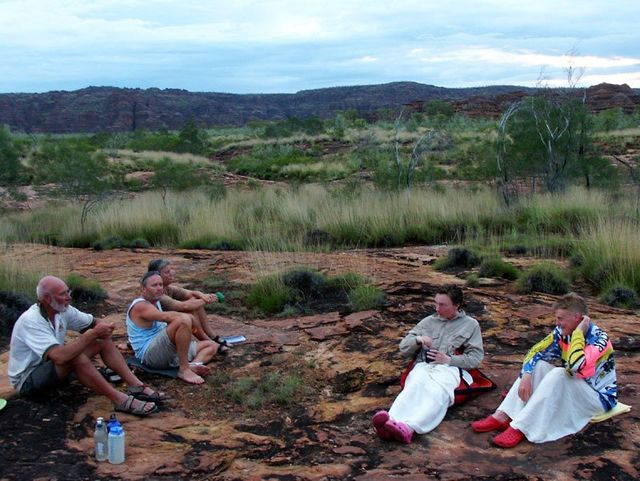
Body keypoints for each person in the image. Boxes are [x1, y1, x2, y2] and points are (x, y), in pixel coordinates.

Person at [471, 292, 617, 448]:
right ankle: (503, 415)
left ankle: (521, 427)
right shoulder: (562, 332)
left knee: (559, 374)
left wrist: (578, 334)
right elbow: (535, 351)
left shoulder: (599, 339)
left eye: (561, 318)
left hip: (597, 398)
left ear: (576, 318)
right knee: (539, 365)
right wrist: (527, 375)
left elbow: (575, 365)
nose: (557, 323)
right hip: (575, 387)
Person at [8, 275, 162, 416]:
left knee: (101, 341)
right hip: (28, 380)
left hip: (51, 368)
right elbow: (60, 357)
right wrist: (92, 334)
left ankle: (136, 385)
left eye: (68, 292)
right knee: (75, 358)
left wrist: (104, 328)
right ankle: (119, 399)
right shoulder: (32, 320)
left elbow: (92, 322)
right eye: (63, 294)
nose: (69, 297)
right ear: (47, 299)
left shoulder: (62, 310)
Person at [373, 285, 484, 443]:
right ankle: (388, 422)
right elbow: (403, 347)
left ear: (457, 305)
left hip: (450, 368)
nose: (437, 308)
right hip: (424, 365)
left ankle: (409, 428)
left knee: (435, 391)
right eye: (436, 303)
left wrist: (449, 359)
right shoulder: (428, 322)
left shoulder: (471, 325)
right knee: (414, 385)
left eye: (443, 305)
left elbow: (476, 358)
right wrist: (418, 340)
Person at [126, 270, 219, 385]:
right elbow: (167, 317)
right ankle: (184, 370)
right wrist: (191, 318)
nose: (159, 288)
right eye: (154, 285)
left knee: (211, 345)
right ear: (143, 289)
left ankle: (192, 365)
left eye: (160, 285)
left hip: (166, 350)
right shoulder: (141, 305)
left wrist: (191, 316)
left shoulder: (156, 301)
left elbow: (188, 297)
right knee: (183, 320)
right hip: (151, 355)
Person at [147, 258, 227, 350]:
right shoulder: (159, 295)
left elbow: (191, 293)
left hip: (167, 327)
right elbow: (184, 306)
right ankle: (208, 342)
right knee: (189, 311)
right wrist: (207, 300)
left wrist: (204, 296)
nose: (171, 274)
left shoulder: (168, 288)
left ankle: (213, 337)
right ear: (157, 276)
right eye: (167, 272)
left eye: (170, 271)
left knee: (195, 301)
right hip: (157, 336)